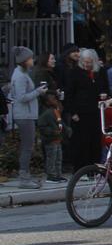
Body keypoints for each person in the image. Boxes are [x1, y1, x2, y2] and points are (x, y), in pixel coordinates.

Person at [64, 48, 110, 171]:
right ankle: (80, 168)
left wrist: (105, 95)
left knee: (95, 141)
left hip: (96, 111)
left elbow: (106, 88)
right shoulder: (75, 73)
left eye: (89, 62)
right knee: (81, 142)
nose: (86, 64)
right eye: (84, 61)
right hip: (80, 112)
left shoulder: (100, 72)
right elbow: (69, 93)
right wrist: (72, 111)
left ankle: (94, 168)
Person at [9, 46, 49, 189]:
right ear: (25, 60)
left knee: (27, 146)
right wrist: (38, 92)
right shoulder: (20, 76)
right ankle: (24, 177)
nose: (33, 60)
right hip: (24, 115)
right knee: (27, 146)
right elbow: (21, 97)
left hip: (26, 114)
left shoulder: (21, 74)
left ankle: (25, 175)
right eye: (31, 58)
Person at [36, 92, 71, 184]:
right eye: (53, 99)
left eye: (55, 99)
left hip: (58, 139)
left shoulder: (56, 111)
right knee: (52, 158)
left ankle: (58, 175)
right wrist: (52, 132)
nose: (55, 101)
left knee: (58, 158)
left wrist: (67, 130)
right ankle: (51, 175)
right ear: (47, 102)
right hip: (51, 140)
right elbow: (41, 126)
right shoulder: (46, 113)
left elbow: (60, 123)